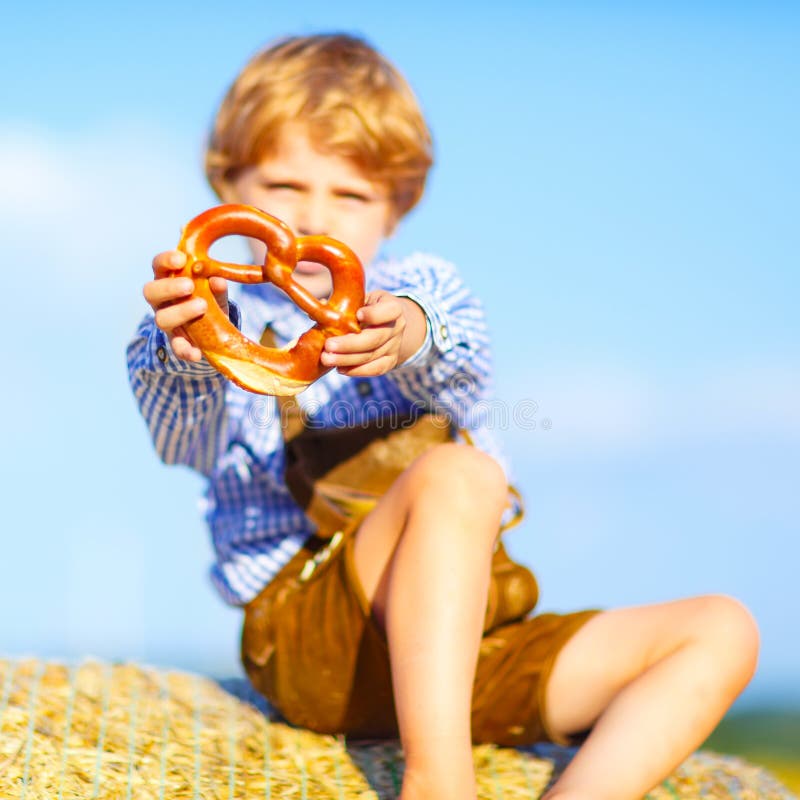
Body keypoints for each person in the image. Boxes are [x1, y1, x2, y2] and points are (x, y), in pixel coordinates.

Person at [127, 33, 759, 800]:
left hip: (461, 652)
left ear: (398, 207)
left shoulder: (420, 289)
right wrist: (181, 350)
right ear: (227, 186)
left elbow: (462, 365)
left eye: (351, 195)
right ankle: (439, 783)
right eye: (283, 187)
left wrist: (411, 331)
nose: (313, 219)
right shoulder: (220, 312)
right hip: (320, 638)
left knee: (721, 632)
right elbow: (182, 444)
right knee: (460, 476)